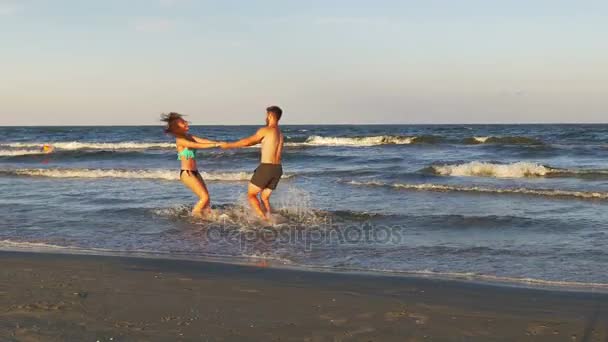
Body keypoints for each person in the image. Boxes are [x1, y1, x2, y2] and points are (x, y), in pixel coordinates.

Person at [220, 106, 284, 221]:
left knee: (251, 195)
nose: (265, 118)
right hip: (277, 169)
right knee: (264, 197)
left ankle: (264, 219)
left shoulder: (266, 130)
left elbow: (248, 142)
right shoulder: (280, 133)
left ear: (270, 115)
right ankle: (271, 217)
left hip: (267, 167)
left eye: (266, 115)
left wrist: (229, 145)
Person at [161, 112, 222, 217]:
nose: (186, 123)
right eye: (182, 123)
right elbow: (196, 145)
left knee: (207, 199)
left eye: (185, 121)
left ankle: (206, 216)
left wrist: (220, 144)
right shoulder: (180, 140)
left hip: (195, 172)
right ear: (176, 128)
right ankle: (194, 218)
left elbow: (203, 141)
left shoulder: (189, 136)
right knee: (204, 197)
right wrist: (215, 145)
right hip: (187, 173)